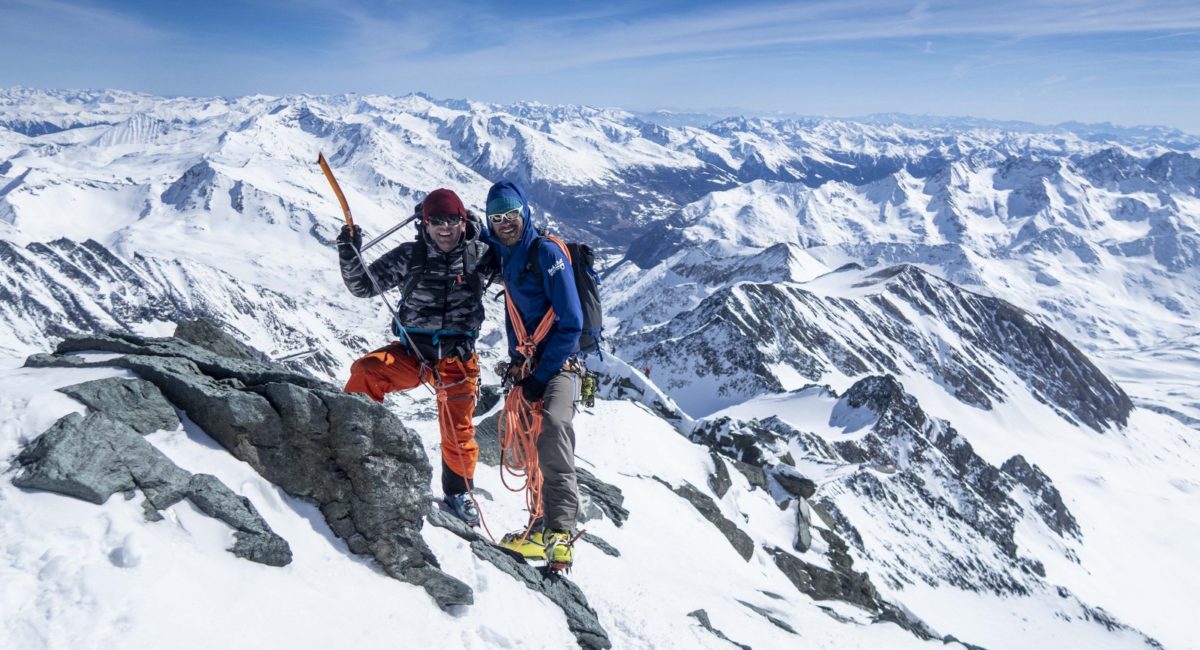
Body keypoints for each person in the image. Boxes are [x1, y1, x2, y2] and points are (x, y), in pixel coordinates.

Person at [336, 188, 493, 526]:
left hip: (458, 359)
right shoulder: (410, 256)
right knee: (367, 372)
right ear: (425, 223)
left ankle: (459, 491)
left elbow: (520, 274)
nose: (446, 228)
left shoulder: (481, 254)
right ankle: (347, 449)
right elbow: (363, 285)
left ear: (464, 222)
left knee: (459, 433)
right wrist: (349, 253)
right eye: (437, 221)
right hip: (413, 354)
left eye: (452, 220)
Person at [481, 180, 584, 568]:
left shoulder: (544, 254)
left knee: (554, 428)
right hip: (527, 368)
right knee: (531, 445)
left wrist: (542, 374)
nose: (505, 223)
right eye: (497, 217)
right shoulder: (503, 253)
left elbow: (571, 322)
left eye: (511, 214)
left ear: (525, 213)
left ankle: (559, 531)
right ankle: (539, 527)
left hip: (558, 366)